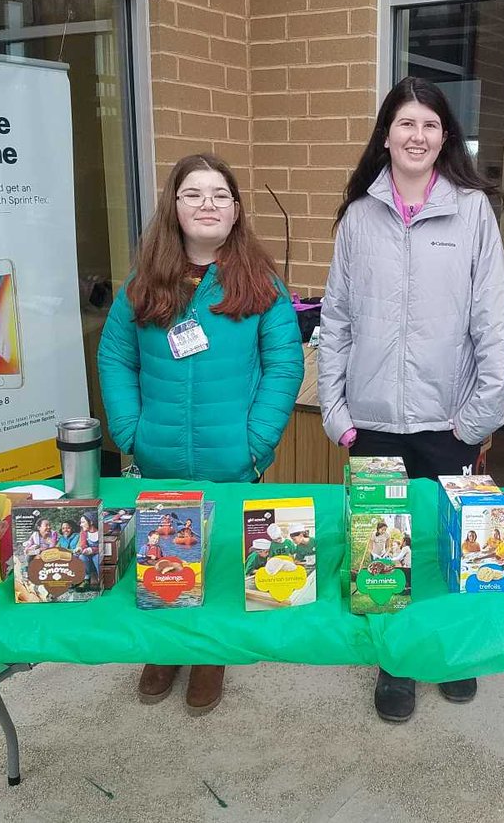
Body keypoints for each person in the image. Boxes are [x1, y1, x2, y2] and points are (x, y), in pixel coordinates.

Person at [318, 75, 504, 723]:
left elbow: (492, 319)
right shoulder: (358, 217)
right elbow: (336, 320)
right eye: (406, 123)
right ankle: (396, 662)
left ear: (445, 136)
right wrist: (336, 412)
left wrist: (480, 416)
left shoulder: (471, 211)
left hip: (447, 422)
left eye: (430, 125)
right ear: (387, 134)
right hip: (371, 421)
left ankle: (452, 652)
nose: (418, 135)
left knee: (451, 547)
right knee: (383, 547)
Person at [99, 153, 303, 714]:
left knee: (218, 560)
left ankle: (210, 653)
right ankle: (166, 647)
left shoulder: (261, 286)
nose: (208, 204)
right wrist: (129, 430)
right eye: (194, 193)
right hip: (157, 453)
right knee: (165, 548)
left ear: (236, 211)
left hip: (232, 457)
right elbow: (116, 357)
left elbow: (285, 365)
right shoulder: (144, 285)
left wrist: (255, 440)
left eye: (220, 195)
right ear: (175, 206)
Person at [77, 515, 101, 587]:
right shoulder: (84, 533)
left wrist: (92, 550)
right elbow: (83, 544)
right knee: (82, 557)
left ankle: (99, 577)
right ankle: (86, 577)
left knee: (97, 558)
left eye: (83, 522)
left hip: (97, 555)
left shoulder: (100, 532)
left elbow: (104, 547)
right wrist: (81, 549)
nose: (81, 524)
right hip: (88, 557)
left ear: (91, 522)